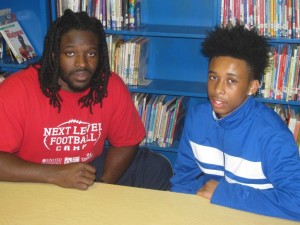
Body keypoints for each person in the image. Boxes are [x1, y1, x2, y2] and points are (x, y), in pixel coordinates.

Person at [0, 9, 172, 191]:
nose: (82, 63)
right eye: (70, 53)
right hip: (30, 173)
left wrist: (104, 185)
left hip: (87, 167)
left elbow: (126, 142)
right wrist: (54, 175)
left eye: (90, 54)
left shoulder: (110, 85)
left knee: (155, 168)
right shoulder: (17, 90)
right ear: (53, 56)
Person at [170, 23, 300, 221]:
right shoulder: (197, 118)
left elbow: (296, 202)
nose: (218, 89)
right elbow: (183, 178)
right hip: (209, 212)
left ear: (252, 87)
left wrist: (225, 194)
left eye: (231, 81)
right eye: (213, 77)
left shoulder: (273, 135)